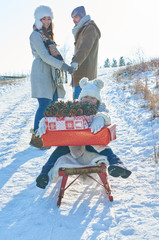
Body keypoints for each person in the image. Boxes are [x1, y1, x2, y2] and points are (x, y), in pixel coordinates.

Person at [36, 77, 132, 189]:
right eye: (85, 97)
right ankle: (44, 174)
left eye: (92, 98)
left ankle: (117, 165)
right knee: (57, 153)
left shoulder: (100, 107)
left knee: (105, 149)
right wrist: (44, 122)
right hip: (72, 142)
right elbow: (57, 116)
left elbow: (107, 116)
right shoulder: (74, 106)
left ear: (97, 100)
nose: (88, 100)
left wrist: (100, 117)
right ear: (81, 97)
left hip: (91, 143)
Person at [29, 5, 76, 149]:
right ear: (38, 20)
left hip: (51, 73)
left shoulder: (48, 37)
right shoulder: (35, 35)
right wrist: (65, 67)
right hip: (41, 72)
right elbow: (44, 56)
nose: (47, 21)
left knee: (53, 104)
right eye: (44, 19)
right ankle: (37, 138)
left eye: (49, 18)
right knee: (44, 105)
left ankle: (50, 136)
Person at [70, 6, 101, 99]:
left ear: (82, 16)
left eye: (75, 17)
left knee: (81, 108)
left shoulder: (90, 28)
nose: (73, 20)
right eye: (72, 18)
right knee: (77, 108)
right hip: (79, 75)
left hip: (85, 77)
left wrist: (75, 62)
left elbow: (85, 47)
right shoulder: (82, 29)